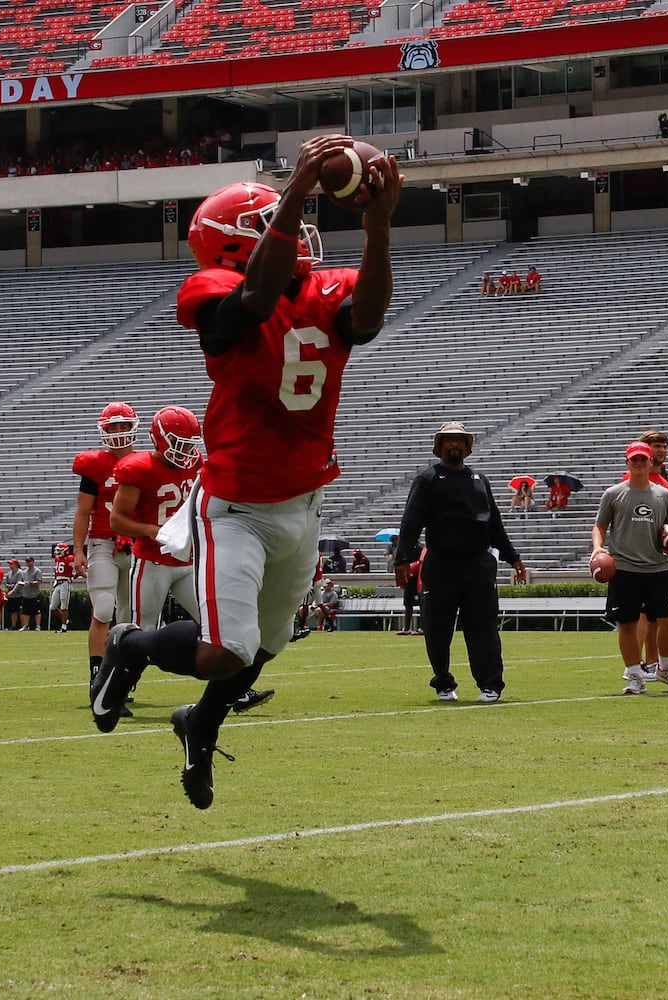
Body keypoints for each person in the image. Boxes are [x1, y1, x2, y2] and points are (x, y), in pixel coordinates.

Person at [91, 135, 401, 810]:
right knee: (226, 653)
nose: (299, 232)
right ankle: (131, 646)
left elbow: (369, 320)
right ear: (236, 243)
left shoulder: (325, 289)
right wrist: (292, 191)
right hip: (234, 504)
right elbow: (256, 302)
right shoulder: (217, 292)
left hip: (303, 500)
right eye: (271, 225)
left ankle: (199, 722)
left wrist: (378, 228)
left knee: (269, 645)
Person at [396, 421, 528, 703]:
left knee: (484, 627)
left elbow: (495, 525)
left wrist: (513, 557)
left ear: (467, 446)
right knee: (437, 628)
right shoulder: (428, 479)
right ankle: (443, 682)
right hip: (441, 563)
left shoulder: (479, 480)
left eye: (459, 440)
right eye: (448, 440)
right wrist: (402, 559)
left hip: (478, 564)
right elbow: (411, 521)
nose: (454, 444)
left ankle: (490, 685)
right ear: (439, 446)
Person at [596, 442, 668, 695]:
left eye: (643, 459)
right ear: (627, 462)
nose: (638, 463)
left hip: (658, 566)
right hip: (625, 566)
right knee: (626, 623)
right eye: (634, 460)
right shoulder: (613, 493)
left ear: (651, 463)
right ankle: (635, 675)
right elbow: (600, 526)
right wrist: (598, 548)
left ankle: (665, 667)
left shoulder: (663, 494)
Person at [107, 404, 204, 637]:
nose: (187, 452)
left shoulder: (195, 462)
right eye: (180, 445)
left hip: (187, 561)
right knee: (142, 630)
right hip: (153, 561)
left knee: (213, 622)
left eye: (190, 444)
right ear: (160, 440)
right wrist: (151, 530)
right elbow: (117, 521)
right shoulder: (140, 469)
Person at [73, 401, 140, 679]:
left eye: (124, 426)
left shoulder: (144, 464)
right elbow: (83, 511)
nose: (120, 432)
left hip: (137, 547)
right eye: (114, 427)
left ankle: (121, 676)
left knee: (129, 618)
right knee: (102, 608)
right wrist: (78, 549)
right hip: (103, 543)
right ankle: (97, 675)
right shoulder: (94, 465)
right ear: (104, 430)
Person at [50, 542, 77, 634]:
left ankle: (64, 626)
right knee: (53, 607)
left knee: (64, 606)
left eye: (59, 550)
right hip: (57, 583)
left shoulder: (70, 559)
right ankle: (66, 620)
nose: (57, 552)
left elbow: (77, 567)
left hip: (65, 583)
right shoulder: (57, 559)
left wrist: (74, 576)